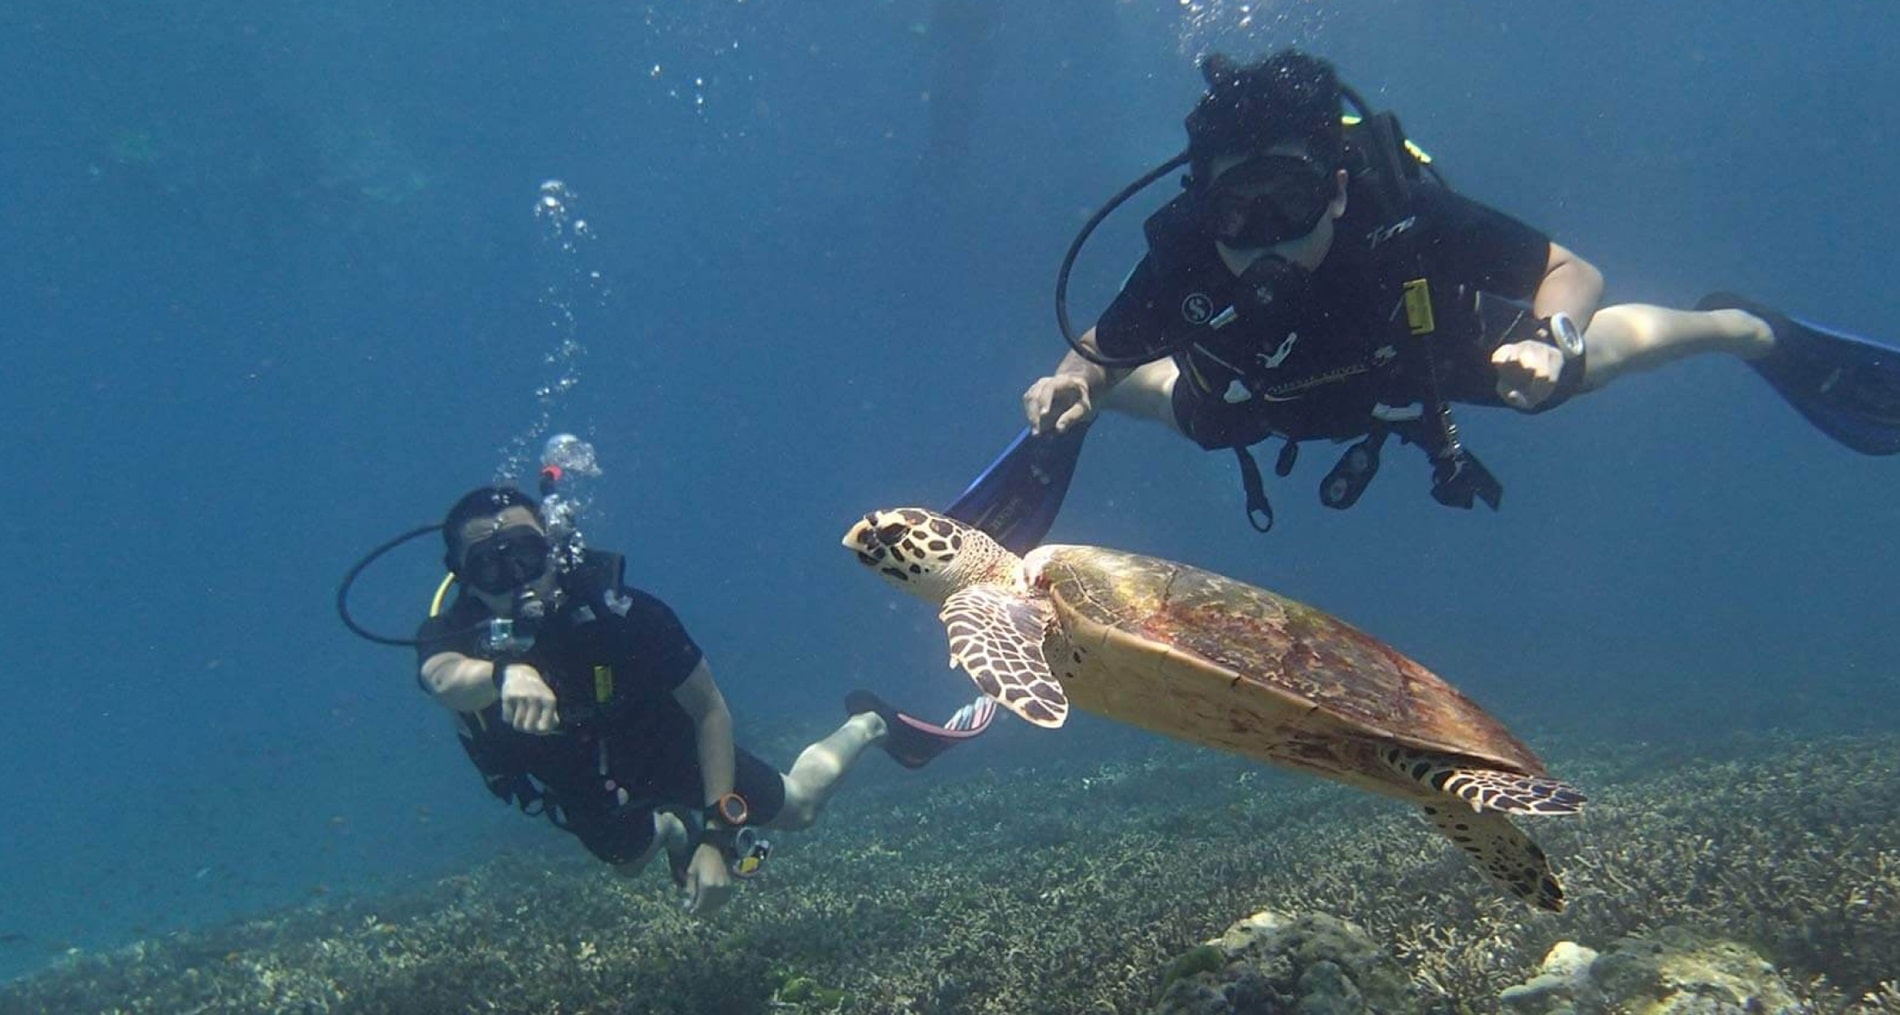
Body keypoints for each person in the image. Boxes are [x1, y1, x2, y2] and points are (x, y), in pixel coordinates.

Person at [983, 48, 1900, 536]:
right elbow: (1106, 341)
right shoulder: (1185, 252)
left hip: (1418, 354)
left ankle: (1747, 330)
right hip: (1268, 391)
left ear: (1338, 187)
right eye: (1238, 209)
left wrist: (1558, 336)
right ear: (1205, 207)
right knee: (1185, 405)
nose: (1265, 233)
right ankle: (1084, 419)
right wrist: (1075, 381)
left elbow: (1570, 271)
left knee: (1566, 380)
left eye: (1292, 201)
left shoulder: (1406, 216)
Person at [415, 486, 976, 915]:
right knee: (628, 864)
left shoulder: (626, 614)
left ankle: (870, 724)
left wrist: (718, 831)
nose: (514, 580)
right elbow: (443, 679)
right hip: (577, 777)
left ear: (554, 551)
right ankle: (670, 831)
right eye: (488, 564)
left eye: (525, 555)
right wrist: (507, 672)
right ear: (461, 576)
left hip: (669, 745)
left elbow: (709, 708)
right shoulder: (454, 631)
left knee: (800, 806)